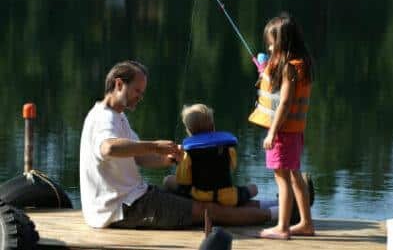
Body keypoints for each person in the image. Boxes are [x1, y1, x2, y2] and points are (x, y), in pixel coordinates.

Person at [80, 60, 274, 229]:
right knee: (207, 210)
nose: (140, 97)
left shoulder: (117, 116)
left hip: (130, 200)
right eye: (137, 91)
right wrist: (154, 145)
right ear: (119, 84)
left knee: (193, 199)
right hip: (121, 208)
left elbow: (138, 157)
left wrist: (169, 158)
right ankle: (277, 213)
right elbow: (109, 148)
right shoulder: (103, 119)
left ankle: (275, 205)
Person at [248, 13, 315, 239]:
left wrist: (272, 133)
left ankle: (282, 227)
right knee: (295, 175)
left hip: (283, 133)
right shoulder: (301, 64)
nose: (268, 46)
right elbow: (281, 93)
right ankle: (306, 223)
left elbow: (285, 103)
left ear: (282, 42)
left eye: (271, 42)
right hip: (295, 132)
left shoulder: (288, 68)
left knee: (282, 179)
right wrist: (265, 71)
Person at [163, 104, 260, 207]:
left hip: (199, 197)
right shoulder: (228, 149)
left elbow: (183, 181)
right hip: (228, 197)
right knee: (253, 188)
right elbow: (231, 168)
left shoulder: (187, 154)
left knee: (168, 180)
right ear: (213, 126)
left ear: (189, 131)